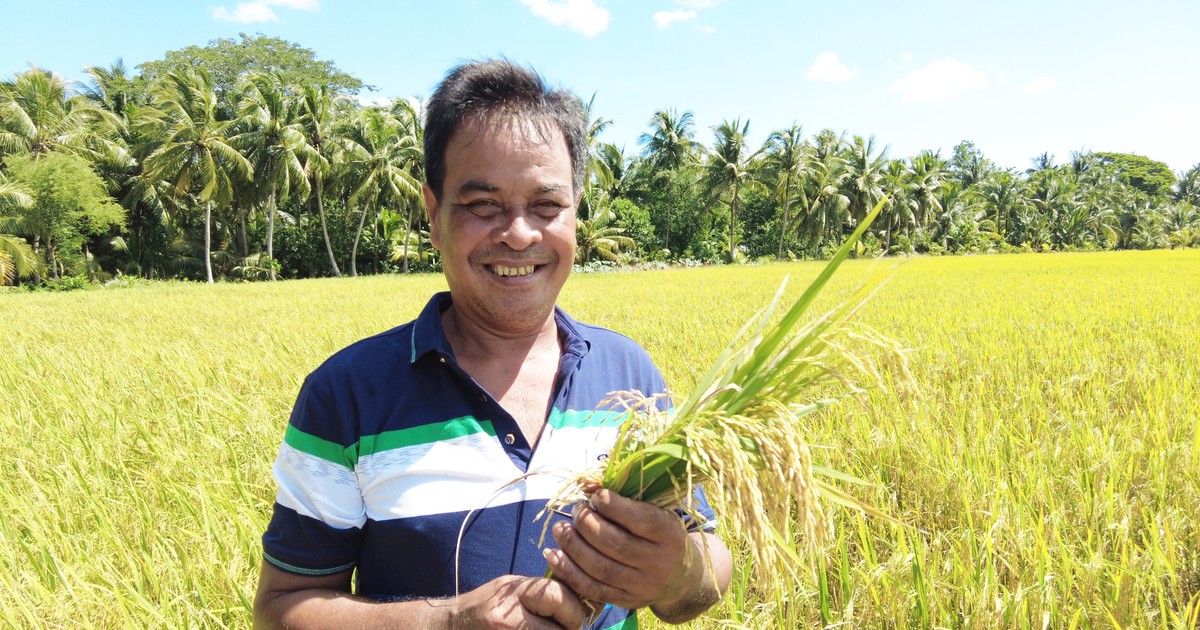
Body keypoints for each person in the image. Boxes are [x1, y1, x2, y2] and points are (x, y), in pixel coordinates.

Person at [253, 59, 732, 629]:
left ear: (576, 213)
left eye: (547, 206)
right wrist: (447, 622)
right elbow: (281, 610)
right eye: (484, 206)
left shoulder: (629, 377)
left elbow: (705, 568)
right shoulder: (346, 395)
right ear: (434, 214)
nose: (519, 233)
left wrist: (675, 574)